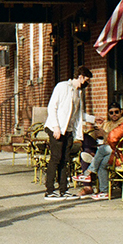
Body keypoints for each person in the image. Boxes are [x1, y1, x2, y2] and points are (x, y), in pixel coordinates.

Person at [43, 66, 91, 199]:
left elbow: (77, 114)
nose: (86, 84)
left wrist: (91, 120)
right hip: (56, 129)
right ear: (80, 77)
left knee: (65, 160)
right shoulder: (63, 87)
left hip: (68, 130)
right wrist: (56, 127)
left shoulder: (78, 93)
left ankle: (63, 189)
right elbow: (52, 107)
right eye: (86, 80)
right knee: (56, 158)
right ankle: (50, 190)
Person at [77, 104, 123, 199]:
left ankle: (89, 173)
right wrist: (97, 131)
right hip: (106, 150)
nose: (114, 114)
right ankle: (103, 191)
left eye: (116, 112)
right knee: (87, 148)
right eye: (111, 113)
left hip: (117, 151)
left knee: (99, 153)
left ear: (121, 112)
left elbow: (115, 139)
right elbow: (99, 137)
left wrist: (104, 133)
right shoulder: (108, 123)